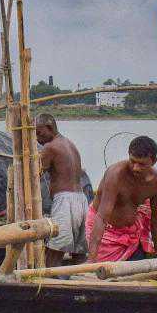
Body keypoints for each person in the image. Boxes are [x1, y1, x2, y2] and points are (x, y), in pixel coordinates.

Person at [85, 135, 157, 263]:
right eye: (132, 161)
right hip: (104, 231)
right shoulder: (115, 175)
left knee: (139, 267)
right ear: (128, 155)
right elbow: (101, 217)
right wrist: (91, 259)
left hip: (131, 233)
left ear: (154, 161)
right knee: (99, 270)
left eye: (142, 164)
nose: (135, 168)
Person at [35, 113, 87, 266]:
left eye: (39, 133)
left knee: (55, 248)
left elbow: (34, 175)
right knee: (79, 251)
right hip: (81, 199)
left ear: (50, 128)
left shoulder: (50, 147)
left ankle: (47, 283)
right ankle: (80, 280)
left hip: (65, 201)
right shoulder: (69, 144)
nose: (37, 138)